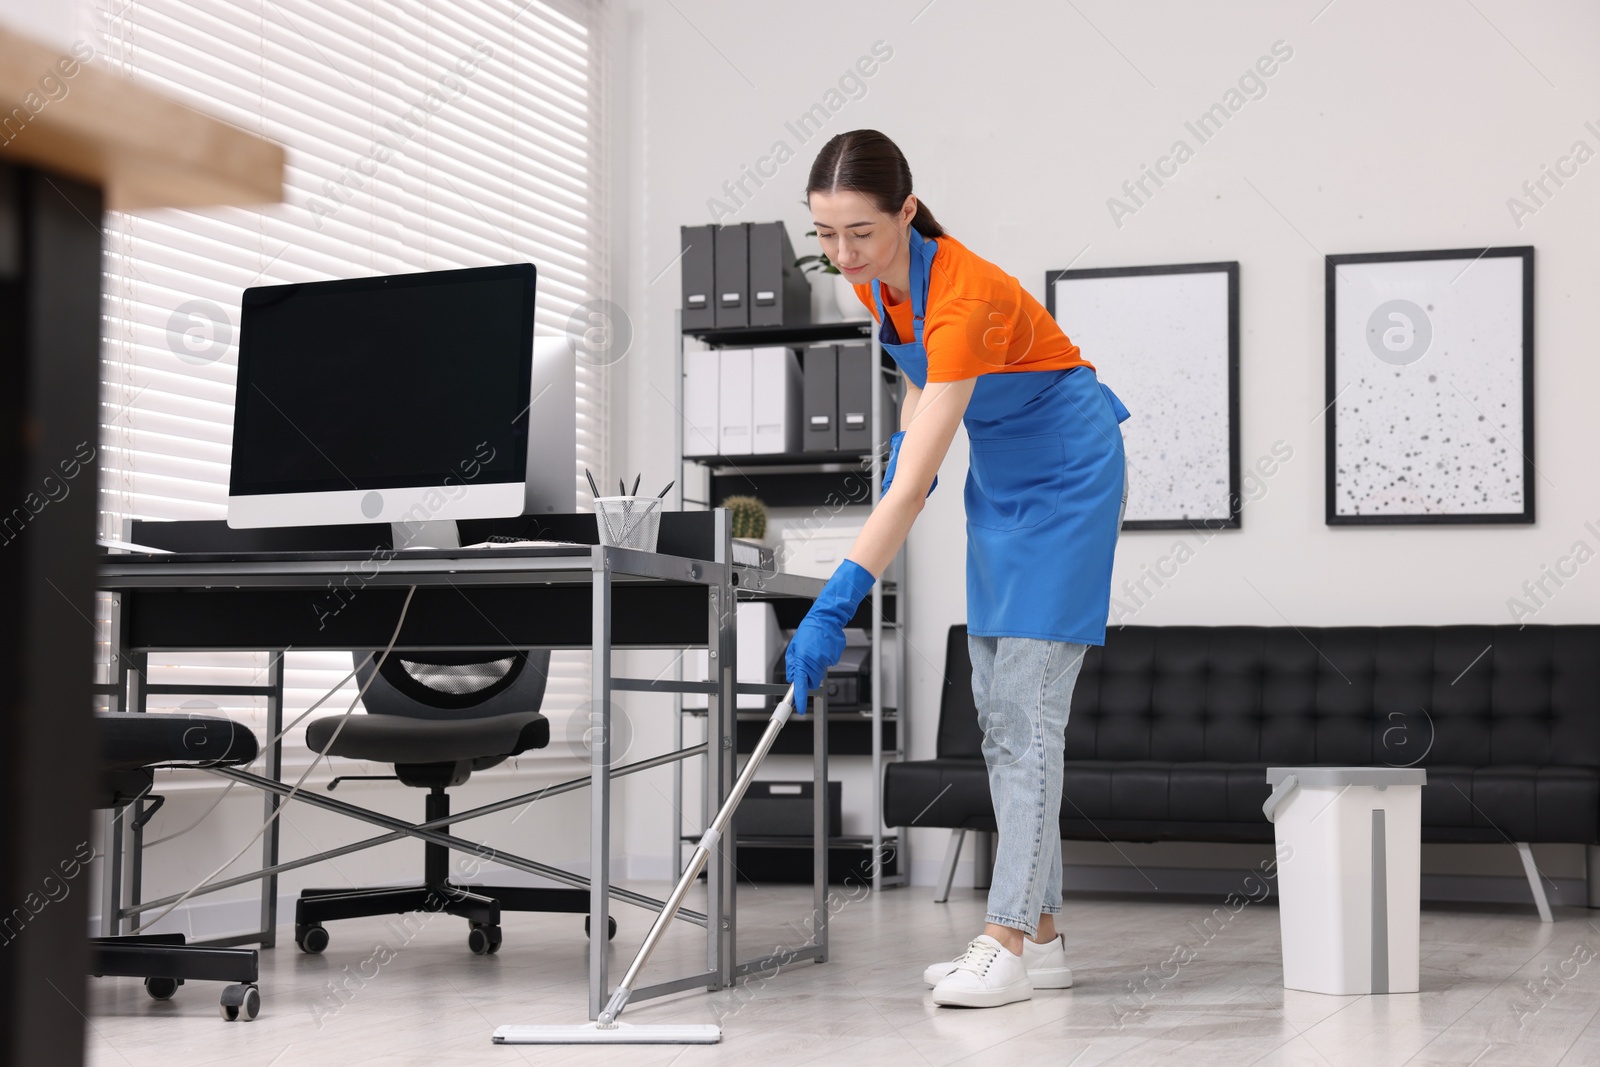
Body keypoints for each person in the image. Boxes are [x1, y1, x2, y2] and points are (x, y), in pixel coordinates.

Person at [784, 129, 1130, 1009]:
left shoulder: (965, 294)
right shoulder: (876, 281)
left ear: (906, 211)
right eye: (825, 235)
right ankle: (1044, 940)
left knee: (1030, 710)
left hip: (1068, 468)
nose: (842, 254)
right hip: (1006, 473)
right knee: (995, 709)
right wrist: (912, 442)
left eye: (859, 232)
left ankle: (1005, 935)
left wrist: (837, 599)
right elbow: (918, 377)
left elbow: (905, 497)